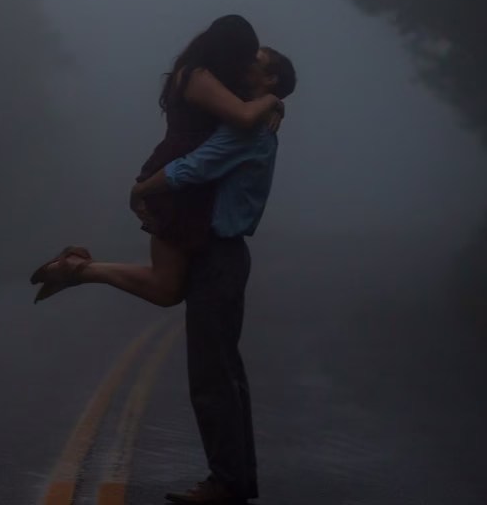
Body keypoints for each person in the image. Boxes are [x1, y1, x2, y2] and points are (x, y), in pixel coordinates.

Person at [31, 33, 297, 504]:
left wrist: (141, 190)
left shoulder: (249, 128)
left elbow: (192, 168)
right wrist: (274, 102)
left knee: (215, 378)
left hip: (221, 254)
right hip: (216, 251)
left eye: (255, 60)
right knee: (223, 372)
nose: (243, 61)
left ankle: (227, 483)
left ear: (270, 78)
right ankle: (233, 481)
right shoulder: (250, 118)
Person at [29, 14, 283, 305]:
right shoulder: (196, 75)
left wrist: (270, 105)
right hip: (174, 178)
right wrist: (273, 101)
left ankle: (76, 268)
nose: (246, 65)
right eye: (244, 56)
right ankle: (75, 268)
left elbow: (243, 113)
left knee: (170, 287)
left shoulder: (207, 77)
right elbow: (244, 115)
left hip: (188, 179)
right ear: (230, 50)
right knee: (166, 287)